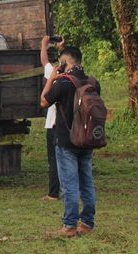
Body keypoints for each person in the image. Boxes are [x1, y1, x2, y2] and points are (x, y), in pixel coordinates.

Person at [40, 46, 100, 238]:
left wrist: (51, 78)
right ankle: (88, 223)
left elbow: (43, 101)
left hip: (67, 141)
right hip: (87, 139)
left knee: (69, 184)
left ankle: (69, 226)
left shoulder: (63, 83)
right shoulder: (93, 82)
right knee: (87, 182)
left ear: (65, 62)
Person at [40, 35, 64, 201]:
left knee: (54, 159)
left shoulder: (54, 74)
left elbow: (44, 61)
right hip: (70, 124)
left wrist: (44, 44)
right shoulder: (72, 74)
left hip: (54, 123)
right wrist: (62, 47)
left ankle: (53, 193)